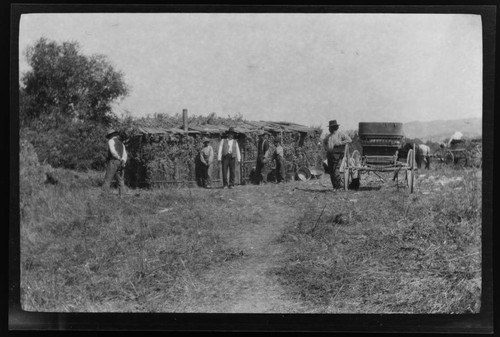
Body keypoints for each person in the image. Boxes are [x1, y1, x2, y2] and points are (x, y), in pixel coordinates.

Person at [322, 120, 352, 190]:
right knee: (331, 171)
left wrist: (341, 143)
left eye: (331, 127)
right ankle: (335, 187)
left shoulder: (340, 134)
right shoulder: (329, 136)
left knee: (336, 171)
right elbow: (324, 142)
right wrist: (326, 148)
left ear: (335, 127)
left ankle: (339, 186)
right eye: (330, 127)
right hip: (330, 154)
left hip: (338, 154)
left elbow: (349, 140)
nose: (330, 129)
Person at [102, 129, 128, 195]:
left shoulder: (111, 141)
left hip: (113, 161)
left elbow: (113, 152)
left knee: (108, 178)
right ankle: (123, 194)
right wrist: (123, 161)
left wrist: (118, 158)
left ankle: (104, 194)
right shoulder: (122, 143)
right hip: (121, 163)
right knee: (120, 179)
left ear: (111, 135)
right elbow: (125, 155)